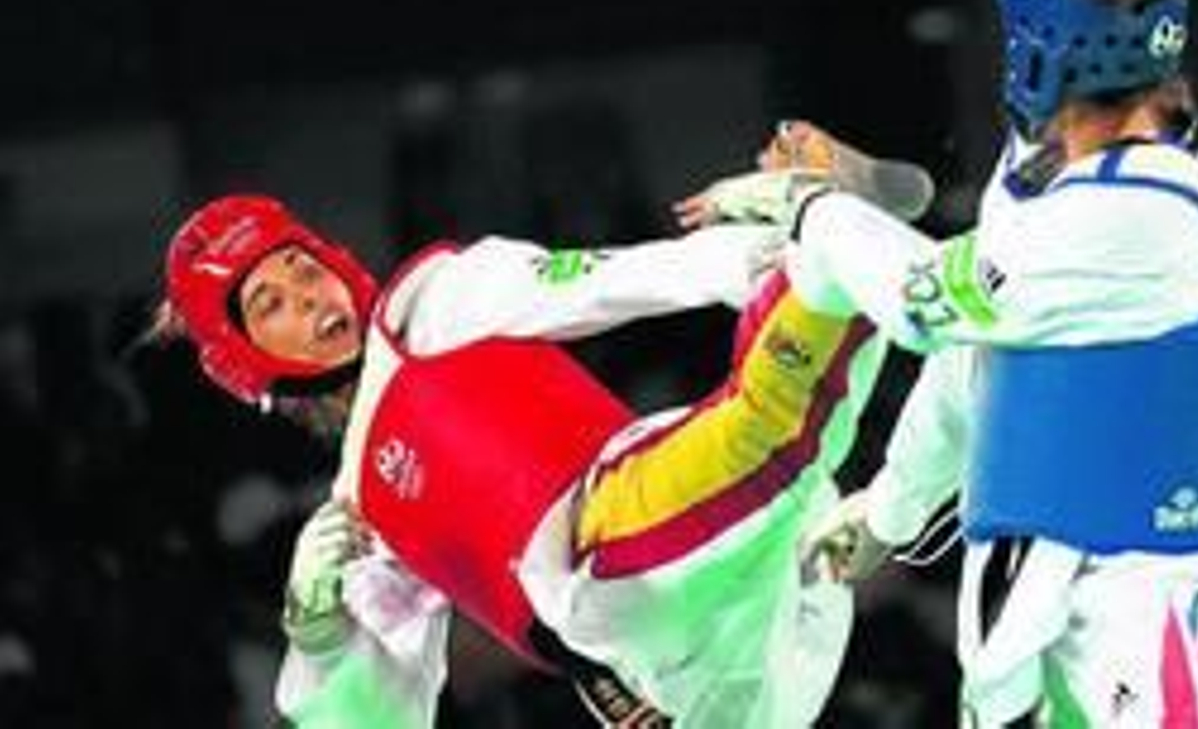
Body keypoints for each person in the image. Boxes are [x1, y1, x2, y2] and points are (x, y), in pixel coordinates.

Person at [678, 0, 1198, 726]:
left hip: (1147, 601)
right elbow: (972, 355)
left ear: (1044, 47)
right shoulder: (1044, 172)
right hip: (1030, 585)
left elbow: (919, 299)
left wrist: (807, 204)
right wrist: (891, 509)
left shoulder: (1144, 205)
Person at [153, 162, 928, 726]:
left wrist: (748, 260)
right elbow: (371, 718)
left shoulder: (426, 307)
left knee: (774, 416)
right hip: (685, 676)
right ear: (245, 358)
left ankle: (818, 226)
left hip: (630, 529)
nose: (308, 297)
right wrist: (318, 631)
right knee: (804, 404)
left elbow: (608, 280)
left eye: (303, 268)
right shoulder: (358, 522)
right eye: (271, 304)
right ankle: (833, 240)